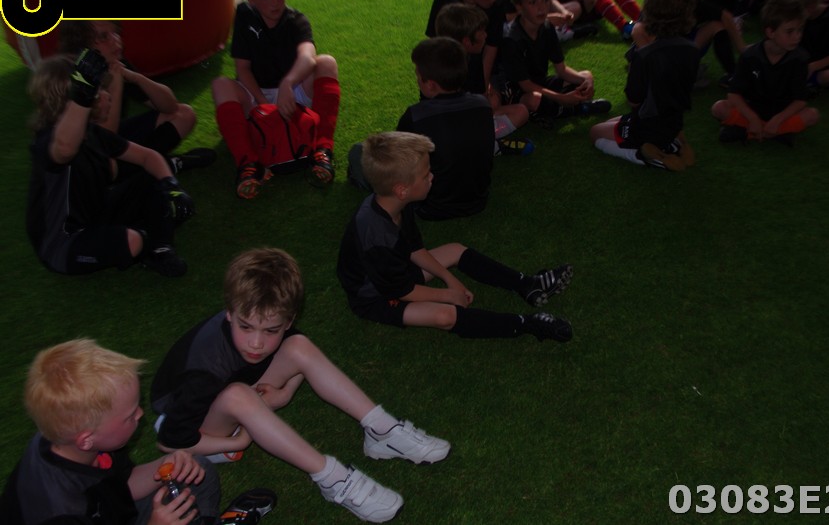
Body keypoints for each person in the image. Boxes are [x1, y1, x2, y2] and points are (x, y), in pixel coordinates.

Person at [150, 248, 447, 523]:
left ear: (288, 320)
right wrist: (236, 443)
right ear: (229, 313)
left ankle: (381, 429)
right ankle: (332, 478)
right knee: (237, 395)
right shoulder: (204, 371)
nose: (256, 343)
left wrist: (285, 393)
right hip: (196, 430)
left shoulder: (268, 328)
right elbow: (169, 441)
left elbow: (293, 347)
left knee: (299, 347)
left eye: (271, 330)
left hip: (229, 391)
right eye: (246, 327)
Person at [338, 131, 574, 342]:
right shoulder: (376, 236)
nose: (432, 177)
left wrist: (449, 278)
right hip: (375, 297)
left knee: (454, 249)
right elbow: (402, 291)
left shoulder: (397, 204)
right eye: (425, 175)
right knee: (445, 316)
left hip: (396, 273)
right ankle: (528, 324)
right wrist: (448, 295)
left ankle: (528, 285)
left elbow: (414, 249)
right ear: (402, 189)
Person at [0, 339, 226, 524]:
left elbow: (123, 484)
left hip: (112, 512)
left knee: (197, 468)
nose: (140, 414)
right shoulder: (59, 511)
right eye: (129, 415)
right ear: (86, 439)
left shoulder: (72, 436)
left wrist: (166, 464)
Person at [26, 50, 195, 277]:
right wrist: (83, 95)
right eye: (99, 91)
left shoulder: (92, 133)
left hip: (96, 215)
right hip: (63, 244)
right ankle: (149, 238)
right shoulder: (47, 141)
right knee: (132, 241)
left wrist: (171, 186)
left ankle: (161, 248)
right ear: (76, 100)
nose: (107, 95)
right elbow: (65, 148)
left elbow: (148, 157)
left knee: (151, 180)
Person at [211, 0, 342, 198]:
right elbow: (242, 69)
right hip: (257, 96)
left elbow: (308, 56)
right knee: (220, 85)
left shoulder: (296, 20)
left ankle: (322, 150)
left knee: (327, 63)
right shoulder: (244, 15)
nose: (274, 2)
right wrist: (263, 105)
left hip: (291, 95)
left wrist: (288, 83)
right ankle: (249, 165)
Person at [58, 21, 215, 176]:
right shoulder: (74, 77)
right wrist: (116, 85)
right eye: (104, 36)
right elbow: (103, 141)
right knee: (107, 165)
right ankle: (164, 165)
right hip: (84, 154)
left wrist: (137, 78)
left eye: (116, 32)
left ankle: (150, 167)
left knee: (184, 114)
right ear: (82, 45)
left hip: (111, 139)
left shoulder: (114, 64)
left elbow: (170, 106)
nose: (115, 40)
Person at [590, 0, 700, 171]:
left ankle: (644, 156)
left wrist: (638, 54)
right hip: (674, 121)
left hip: (646, 127)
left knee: (595, 132)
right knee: (611, 123)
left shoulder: (644, 55)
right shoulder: (692, 50)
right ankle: (673, 143)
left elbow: (633, 99)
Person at [498, 0, 611, 126]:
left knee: (585, 76)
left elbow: (561, 69)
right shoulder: (512, 38)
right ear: (519, 6)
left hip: (540, 83)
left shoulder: (546, 27)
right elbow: (526, 85)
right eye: (533, 2)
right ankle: (577, 109)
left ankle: (557, 109)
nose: (541, 8)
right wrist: (562, 98)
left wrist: (586, 81)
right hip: (518, 93)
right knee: (534, 99)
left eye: (545, 0)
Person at [395, 37, 492, 220]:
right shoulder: (483, 105)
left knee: (361, 154)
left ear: (431, 84)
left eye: (418, 76)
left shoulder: (416, 116)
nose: (417, 80)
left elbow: (399, 160)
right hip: (477, 200)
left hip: (431, 206)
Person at [711, 0, 820, 144]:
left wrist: (777, 119)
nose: (797, 36)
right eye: (790, 31)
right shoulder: (750, 56)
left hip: (782, 113)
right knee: (718, 108)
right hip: (752, 109)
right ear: (770, 32)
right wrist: (753, 118)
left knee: (812, 115)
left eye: (800, 30)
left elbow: (800, 100)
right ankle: (776, 134)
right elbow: (733, 94)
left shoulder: (800, 59)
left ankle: (749, 133)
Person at [433, 3, 532, 149]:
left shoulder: (474, 58)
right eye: (482, 32)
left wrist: (488, 98)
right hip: (451, 126)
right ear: (467, 42)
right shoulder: (445, 70)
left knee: (521, 111)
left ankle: (486, 141)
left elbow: (480, 97)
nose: (486, 35)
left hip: (471, 120)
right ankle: (490, 146)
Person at [426, 0, 509, 98]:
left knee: (493, 100)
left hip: (483, 65)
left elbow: (491, 47)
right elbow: (434, 44)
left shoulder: (496, 4)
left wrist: (483, 86)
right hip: (449, 66)